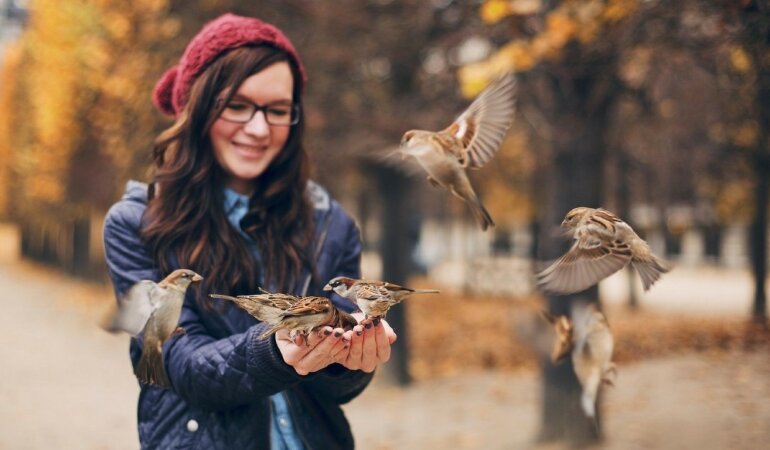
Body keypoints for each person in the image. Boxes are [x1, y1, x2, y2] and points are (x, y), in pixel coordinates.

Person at [103, 13, 395, 449]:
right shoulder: (135, 225)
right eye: (237, 105)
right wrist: (274, 349)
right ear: (198, 108)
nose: (258, 129)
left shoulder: (330, 224)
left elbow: (335, 390)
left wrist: (351, 359)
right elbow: (182, 365)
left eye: (277, 110)